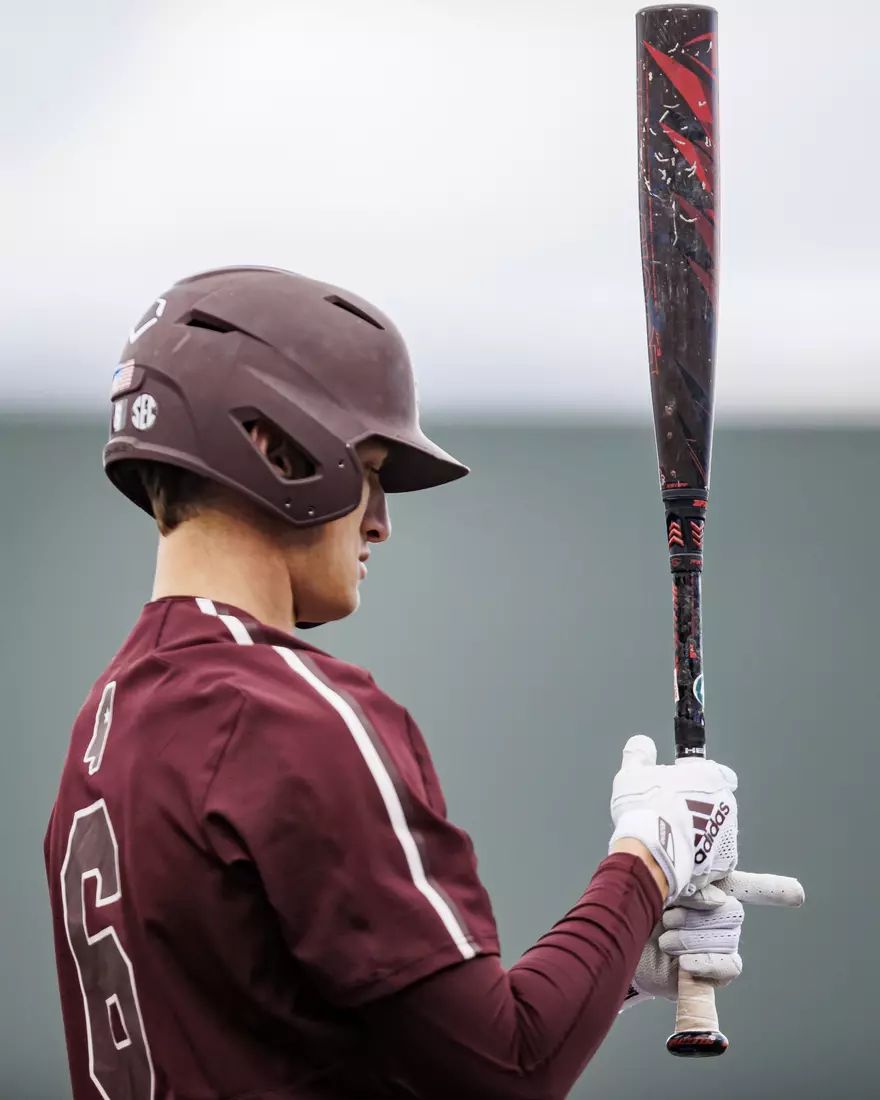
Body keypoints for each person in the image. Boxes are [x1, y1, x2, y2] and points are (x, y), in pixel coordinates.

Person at [44, 266, 803, 1100]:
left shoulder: (110, 718)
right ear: (274, 448)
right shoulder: (290, 717)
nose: (380, 521)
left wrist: (618, 957)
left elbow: (398, 1043)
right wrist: (649, 858)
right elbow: (508, 1073)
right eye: (369, 470)